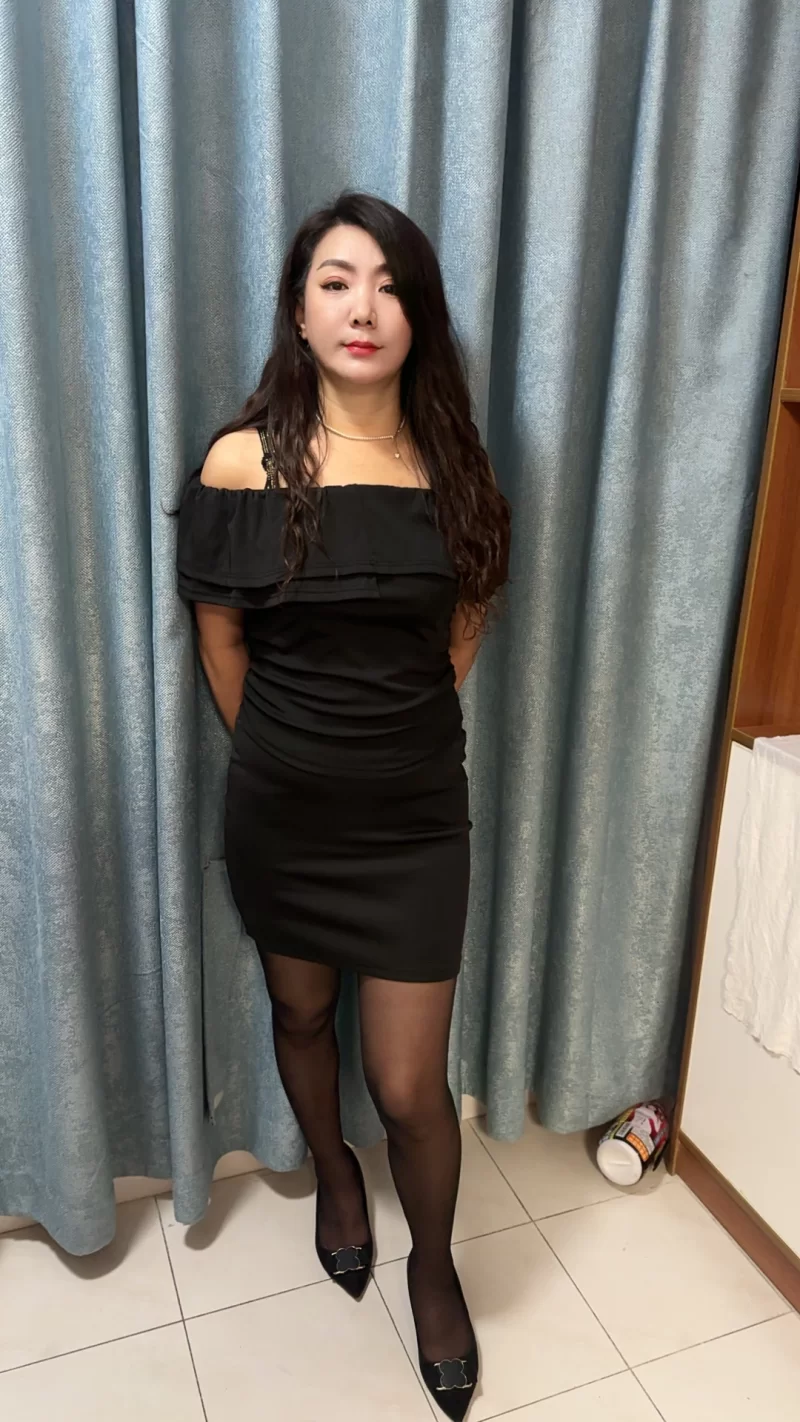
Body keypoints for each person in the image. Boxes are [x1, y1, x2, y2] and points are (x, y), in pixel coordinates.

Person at [175, 190, 511, 1420]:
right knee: (300, 1013)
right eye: (335, 281)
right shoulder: (239, 462)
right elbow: (221, 642)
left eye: (388, 284)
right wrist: (289, 749)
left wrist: (383, 739)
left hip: (416, 821)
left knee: (412, 1086)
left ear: (416, 315)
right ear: (300, 310)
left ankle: (433, 1267)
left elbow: (461, 626)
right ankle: (331, 1174)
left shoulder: (454, 465)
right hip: (283, 815)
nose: (362, 306)